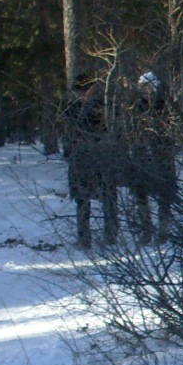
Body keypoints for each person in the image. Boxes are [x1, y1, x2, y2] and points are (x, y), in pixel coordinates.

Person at [63, 73, 120, 248]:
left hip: (101, 159)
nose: (81, 95)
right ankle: (84, 237)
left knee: (108, 198)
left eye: (84, 91)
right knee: (82, 199)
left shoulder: (103, 107)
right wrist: (70, 152)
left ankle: (110, 235)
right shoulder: (72, 109)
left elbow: (109, 132)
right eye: (78, 92)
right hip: (80, 160)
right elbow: (68, 134)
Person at [128, 71, 177, 244]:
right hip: (141, 155)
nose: (145, 90)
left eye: (148, 87)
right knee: (140, 192)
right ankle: (146, 228)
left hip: (161, 154)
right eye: (143, 87)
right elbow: (130, 129)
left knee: (164, 193)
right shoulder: (135, 107)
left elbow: (171, 130)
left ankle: (163, 229)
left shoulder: (165, 106)